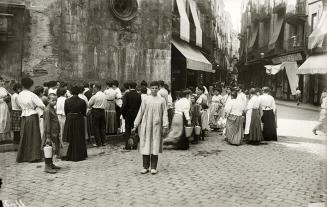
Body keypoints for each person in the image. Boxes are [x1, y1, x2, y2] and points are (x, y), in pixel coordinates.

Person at [132, 81, 169, 175]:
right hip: (146, 125)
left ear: (158, 89)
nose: (154, 90)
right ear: (150, 89)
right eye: (152, 88)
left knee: (155, 145)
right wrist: (135, 124)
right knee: (146, 145)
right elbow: (141, 112)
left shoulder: (161, 100)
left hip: (157, 126)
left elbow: (165, 113)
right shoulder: (146, 99)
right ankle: (145, 167)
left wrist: (165, 125)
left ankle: (153, 167)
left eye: (156, 88)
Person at [16, 78, 45, 163]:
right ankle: (34, 156)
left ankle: (24, 156)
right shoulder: (32, 95)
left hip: (24, 116)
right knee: (34, 136)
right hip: (32, 115)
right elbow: (42, 105)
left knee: (25, 136)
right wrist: (36, 107)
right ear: (31, 85)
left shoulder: (19, 95)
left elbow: (19, 106)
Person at [63, 85, 87, 161]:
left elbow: (66, 111)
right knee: (79, 136)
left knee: (70, 136)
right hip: (79, 119)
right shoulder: (82, 101)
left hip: (70, 119)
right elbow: (84, 112)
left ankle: (69, 154)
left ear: (71, 92)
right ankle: (80, 154)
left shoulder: (67, 101)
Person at [43, 93, 61, 173]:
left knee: (52, 149)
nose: (55, 102)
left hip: (55, 132)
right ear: (48, 100)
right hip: (50, 133)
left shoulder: (52, 108)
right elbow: (46, 124)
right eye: (53, 100)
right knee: (48, 149)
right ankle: (47, 166)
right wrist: (48, 136)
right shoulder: (47, 110)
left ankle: (51, 164)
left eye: (56, 100)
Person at [122, 81, 142, 149]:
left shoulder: (126, 94)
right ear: (135, 87)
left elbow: (124, 106)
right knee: (135, 130)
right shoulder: (138, 95)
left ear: (129, 87)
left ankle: (127, 146)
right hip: (136, 115)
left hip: (128, 115)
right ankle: (134, 145)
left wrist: (123, 114)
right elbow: (140, 106)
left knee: (127, 130)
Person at [56, 87, 67, 157]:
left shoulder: (57, 99)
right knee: (63, 133)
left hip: (58, 116)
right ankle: (63, 150)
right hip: (64, 116)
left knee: (59, 133)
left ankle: (59, 150)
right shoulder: (66, 99)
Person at [0, 76, 11, 143]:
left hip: (4, 106)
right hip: (0, 106)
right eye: (0, 81)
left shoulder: (3, 89)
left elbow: (9, 95)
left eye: (2, 81)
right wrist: (3, 99)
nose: (2, 82)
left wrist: (8, 98)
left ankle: (4, 138)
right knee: (0, 120)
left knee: (5, 120)